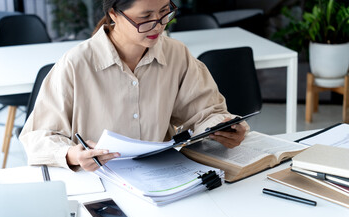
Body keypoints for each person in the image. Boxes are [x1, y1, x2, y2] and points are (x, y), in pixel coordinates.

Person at [19, 0, 248, 172]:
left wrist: (222, 127)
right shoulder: (76, 63)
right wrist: (71, 154)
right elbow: (37, 135)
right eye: (146, 16)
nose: (158, 25)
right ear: (114, 14)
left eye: (164, 12)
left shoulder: (176, 54)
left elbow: (205, 112)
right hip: (99, 179)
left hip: (162, 176)